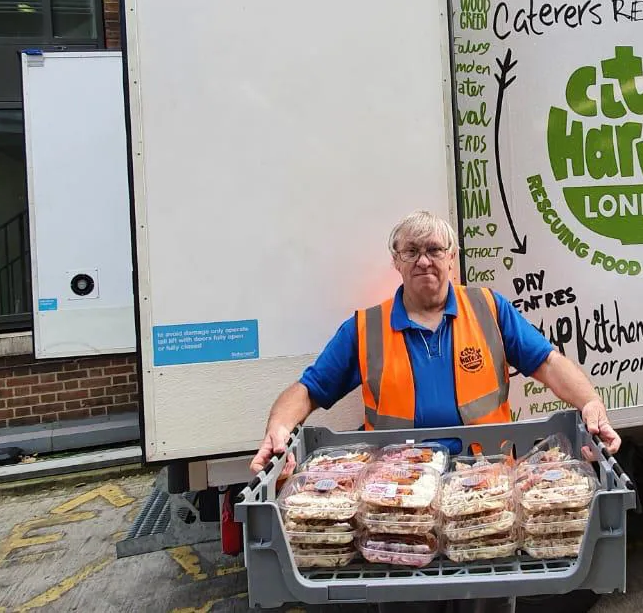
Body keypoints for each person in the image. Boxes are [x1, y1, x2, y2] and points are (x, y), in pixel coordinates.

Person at [249, 209, 622, 613]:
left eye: (433, 249)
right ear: (395, 260)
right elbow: (307, 390)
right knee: (406, 604)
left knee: (485, 602)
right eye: (411, 251)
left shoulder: (487, 308)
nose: (423, 260)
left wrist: (591, 404)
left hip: (484, 497)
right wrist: (278, 430)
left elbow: (548, 363)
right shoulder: (364, 328)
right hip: (398, 505)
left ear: (452, 257)